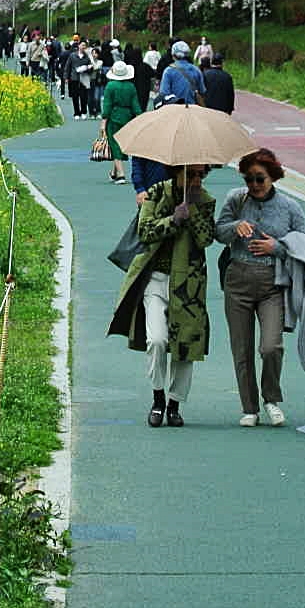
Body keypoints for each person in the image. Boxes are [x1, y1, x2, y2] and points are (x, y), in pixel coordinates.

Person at [216, 149, 305, 427]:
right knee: (241, 349)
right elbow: (218, 231)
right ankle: (249, 408)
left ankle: (271, 399)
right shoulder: (235, 199)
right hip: (237, 280)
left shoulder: (290, 206)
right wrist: (235, 226)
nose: (254, 185)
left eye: (260, 179)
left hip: (272, 284)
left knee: (271, 346)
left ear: (273, 177)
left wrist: (277, 247)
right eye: (249, 179)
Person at [110, 164, 217, 428]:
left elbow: (206, 239)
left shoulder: (205, 200)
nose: (196, 180)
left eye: (200, 175)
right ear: (176, 172)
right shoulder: (156, 193)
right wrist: (173, 220)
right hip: (155, 280)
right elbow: (145, 231)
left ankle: (174, 404)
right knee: (156, 339)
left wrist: (192, 212)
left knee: (186, 345)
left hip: (189, 284)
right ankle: (158, 398)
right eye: (190, 174)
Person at [98, 58, 143, 184]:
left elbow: (107, 105)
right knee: (122, 144)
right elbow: (135, 105)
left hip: (114, 116)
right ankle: (114, 172)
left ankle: (121, 174)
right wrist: (140, 117)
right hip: (128, 117)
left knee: (114, 144)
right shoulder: (131, 86)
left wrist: (103, 122)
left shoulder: (110, 86)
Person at [158, 40, 205, 105]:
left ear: (173, 55)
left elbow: (164, 93)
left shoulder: (168, 71)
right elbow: (202, 91)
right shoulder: (196, 70)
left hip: (174, 108)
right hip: (193, 108)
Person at [199, 49, 236, 113]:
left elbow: (201, 92)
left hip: (207, 108)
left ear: (211, 62)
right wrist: (230, 109)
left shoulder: (205, 74)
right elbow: (230, 95)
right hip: (222, 109)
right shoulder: (227, 77)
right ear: (222, 63)